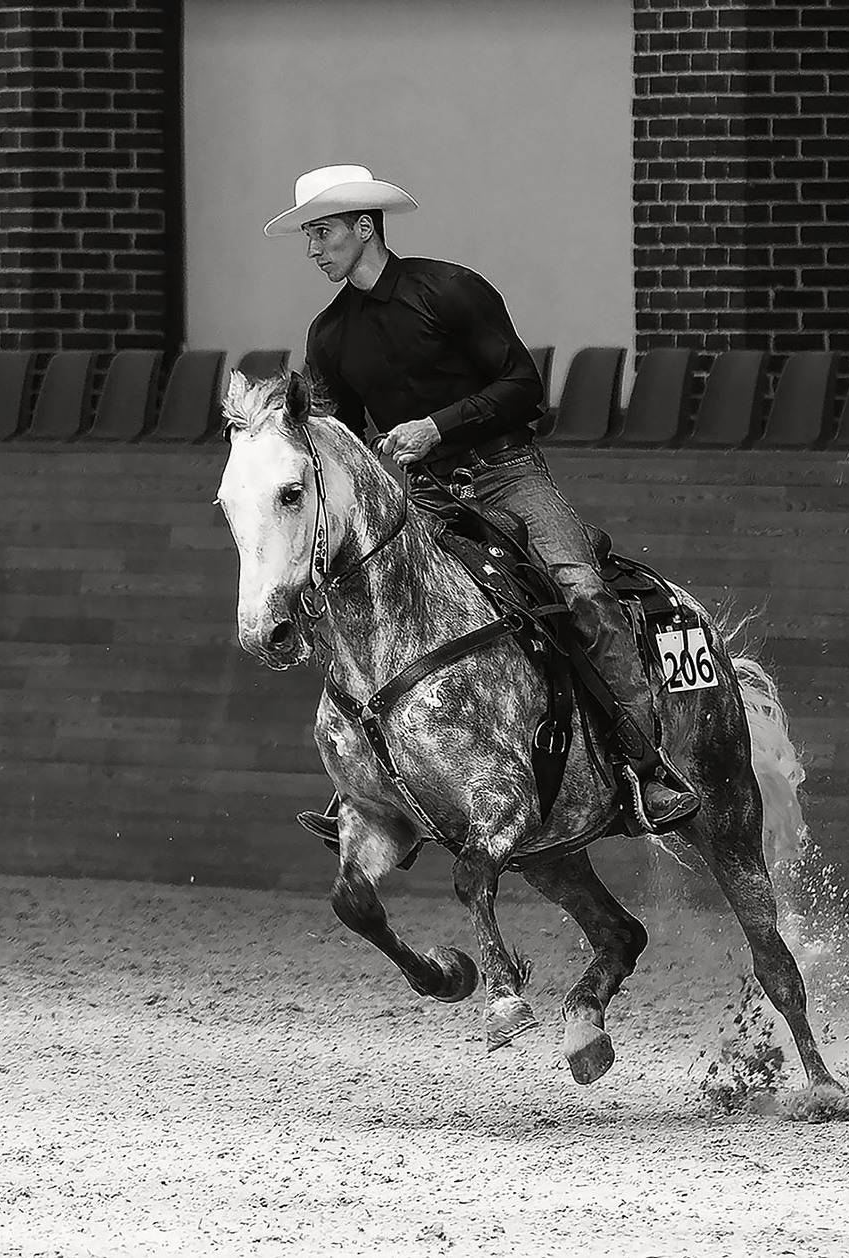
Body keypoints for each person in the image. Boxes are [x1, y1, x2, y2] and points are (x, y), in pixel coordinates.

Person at [264, 164, 699, 841]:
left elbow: (523, 384)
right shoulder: (329, 334)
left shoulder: (450, 290)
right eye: (310, 236)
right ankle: (372, 792)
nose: (314, 248)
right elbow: (345, 439)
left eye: (322, 233)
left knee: (584, 594)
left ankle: (649, 768)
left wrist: (437, 426)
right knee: (371, 608)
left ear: (364, 227)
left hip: (509, 474)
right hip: (427, 496)